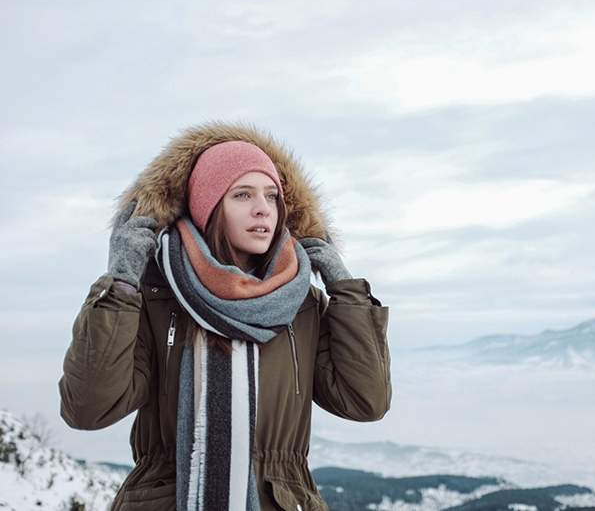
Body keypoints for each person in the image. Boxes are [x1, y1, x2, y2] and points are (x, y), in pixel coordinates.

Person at [58, 122, 392, 511]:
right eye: (242, 195)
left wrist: (343, 285)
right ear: (208, 206)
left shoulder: (303, 305)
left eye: (272, 196)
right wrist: (122, 281)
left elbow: (365, 402)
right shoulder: (154, 297)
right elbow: (87, 408)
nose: (262, 209)